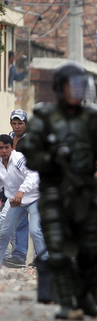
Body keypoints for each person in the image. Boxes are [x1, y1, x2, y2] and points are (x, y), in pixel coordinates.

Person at [20, 63, 97, 320]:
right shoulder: (44, 118)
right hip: (54, 192)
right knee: (58, 250)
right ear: (59, 89)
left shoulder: (91, 118)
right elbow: (30, 157)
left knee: (91, 249)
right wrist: (52, 157)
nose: (77, 92)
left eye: (81, 87)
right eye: (72, 87)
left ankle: (85, 297)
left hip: (85, 193)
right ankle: (66, 302)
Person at [3, 109, 31, 267]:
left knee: (36, 226)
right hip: (13, 186)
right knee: (16, 222)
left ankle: (41, 258)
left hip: (30, 185)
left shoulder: (31, 140)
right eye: (14, 123)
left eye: (20, 123)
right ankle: (18, 256)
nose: (17, 126)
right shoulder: (9, 139)